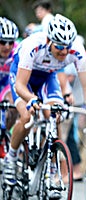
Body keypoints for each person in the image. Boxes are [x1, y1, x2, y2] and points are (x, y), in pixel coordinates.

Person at [3, 14, 86, 198]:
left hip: (48, 77)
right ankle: (12, 157)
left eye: (67, 47)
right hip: (23, 78)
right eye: (59, 47)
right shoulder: (33, 46)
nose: (64, 52)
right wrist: (31, 99)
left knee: (56, 113)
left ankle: (52, 167)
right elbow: (20, 86)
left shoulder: (76, 50)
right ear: (48, 40)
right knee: (26, 115)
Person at [0, 17, 19, 158]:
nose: (7, 46)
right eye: (2, 42)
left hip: (7, 84)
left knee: (13, 105)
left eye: (10, 42)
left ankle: (4, 134)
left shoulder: (16, 52)